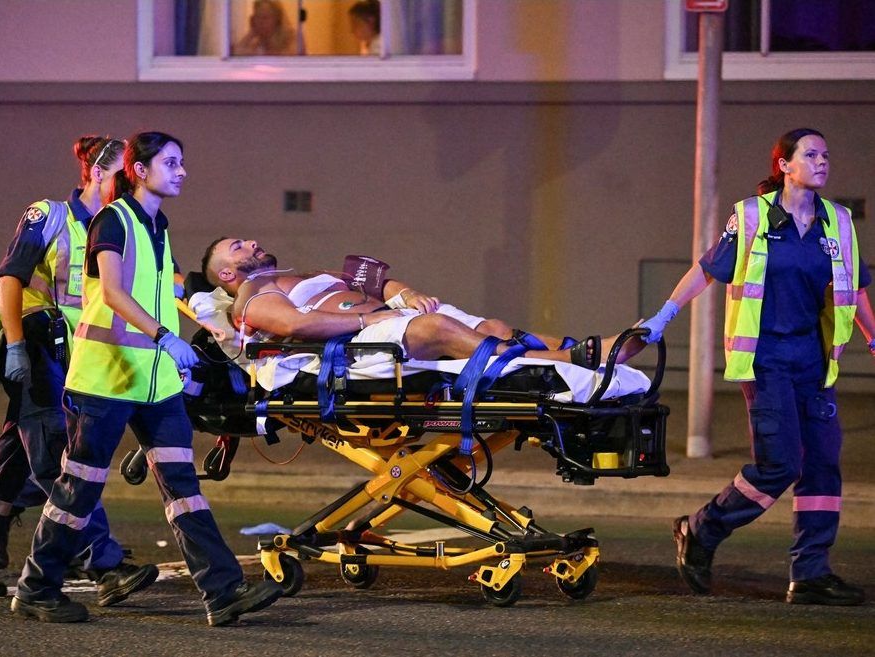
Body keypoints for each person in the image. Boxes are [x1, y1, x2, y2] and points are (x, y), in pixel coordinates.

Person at [11, 132, 283, 625]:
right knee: (78, 490)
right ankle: (35, 588)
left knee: (184, 487)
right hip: (104, 380)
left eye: (182, 163)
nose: (182, 172)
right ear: (139, 170)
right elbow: (114, 293)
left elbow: (165, 291)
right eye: (171, 163)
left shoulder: (158, 224)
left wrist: (211, 326)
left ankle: (222, 592)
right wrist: (165, 337)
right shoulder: (112, 220)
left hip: (155, 385)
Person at [641, 128, 875, 605]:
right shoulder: (751, 216)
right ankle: (700, 529)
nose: (823, 161)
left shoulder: (838, 222)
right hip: (765, 361)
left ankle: (810, 573)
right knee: (780, 464)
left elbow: (854, 287)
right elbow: (707, 269)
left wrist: (874, 336)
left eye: (826, 155)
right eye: (811, 154)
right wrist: (662, 317)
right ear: (784, 165)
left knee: (823, 464)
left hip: (815, 361)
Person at [0, 136, 159, 603]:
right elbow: (10, 279)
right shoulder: (48, 215)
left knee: (14, 458)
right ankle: (102, 562)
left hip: (76, 357)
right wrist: (15, 345)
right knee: (56, 454)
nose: (129, 185)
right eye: (122, 176)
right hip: (36, 345)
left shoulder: (117, 226)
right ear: (96, 173)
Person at [201, 238, 645, 367]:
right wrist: (369, 322)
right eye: (239, 247)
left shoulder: (296, 274)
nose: (252, 243)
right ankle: (575, 359)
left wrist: (405, 295)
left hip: (392, 319)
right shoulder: (252, 297)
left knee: (493, 328)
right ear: (226, 274)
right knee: (440, 330)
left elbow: (376, 283)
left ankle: (579, 347)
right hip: (363, 343)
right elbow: (298, 326)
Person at [232, 0, 298, 56]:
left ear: (277, 19)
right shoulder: (256, 43)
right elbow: (236, 53)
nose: (260, 21)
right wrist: (251, 33)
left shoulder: (291, 38)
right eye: (258, 16)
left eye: (265, 17)